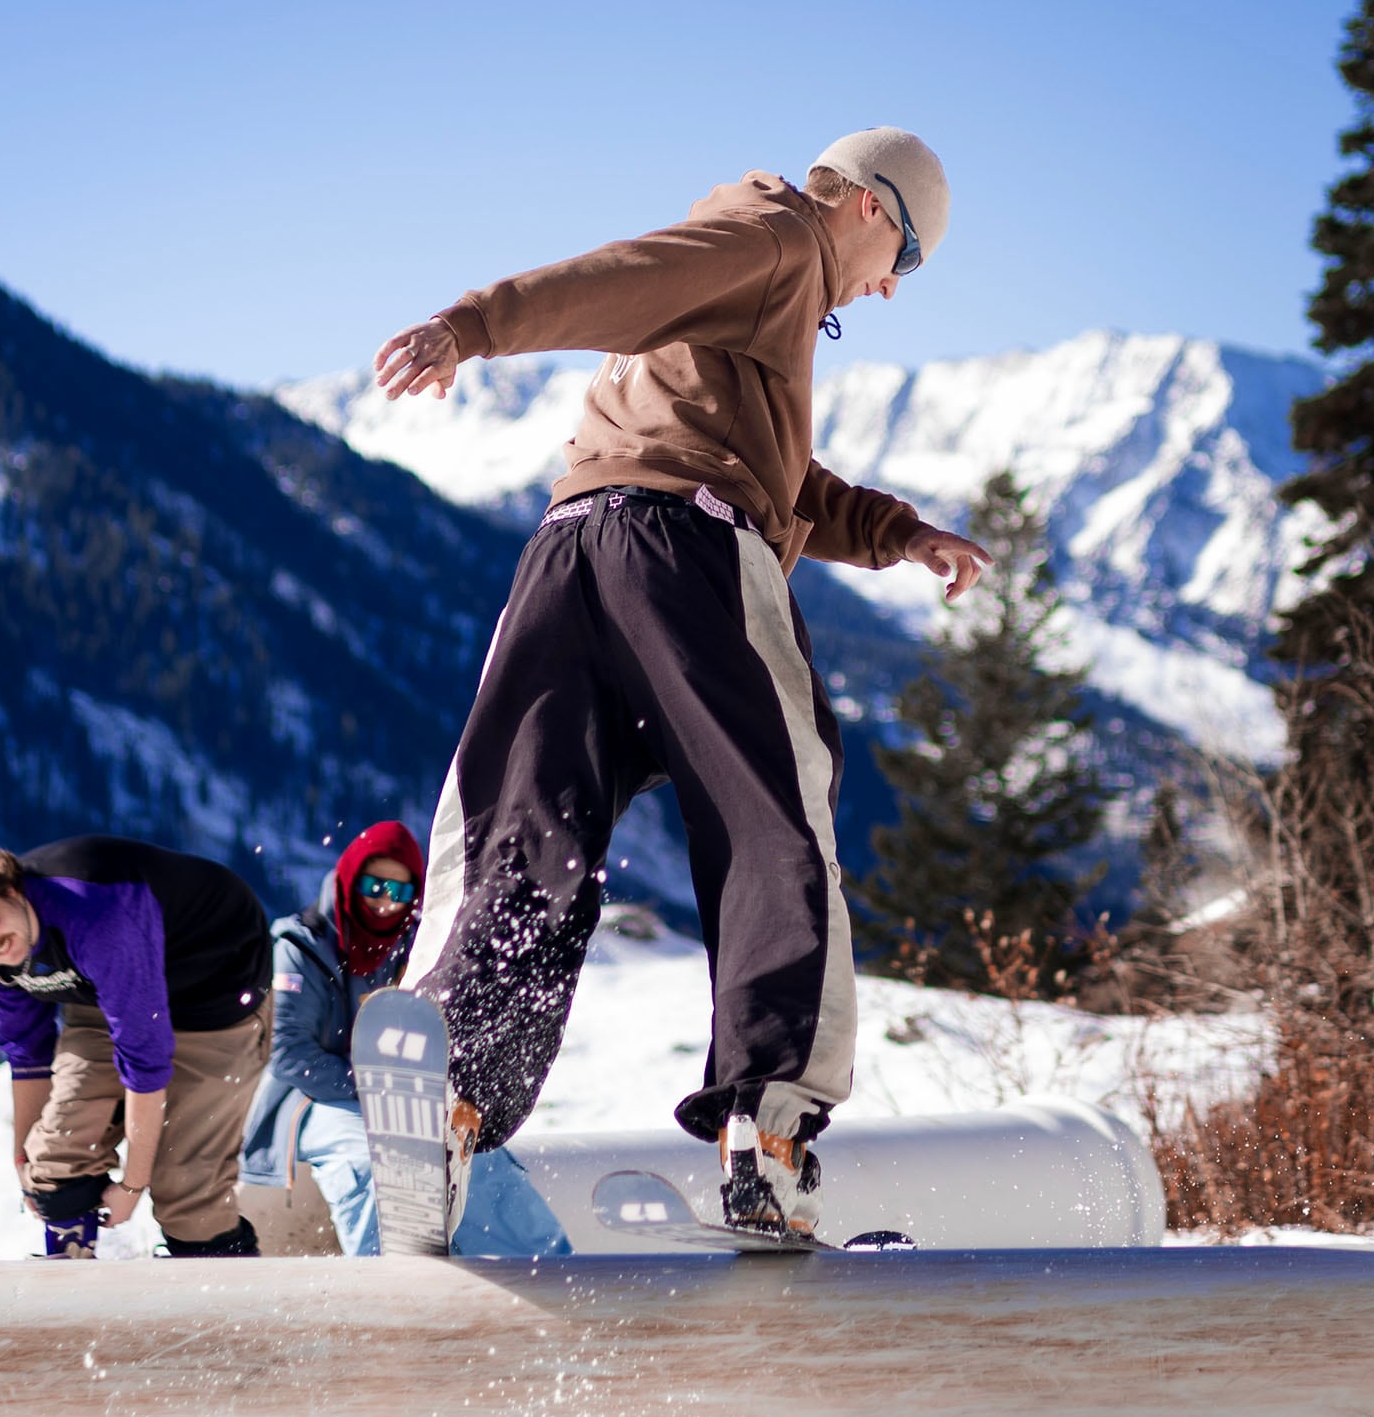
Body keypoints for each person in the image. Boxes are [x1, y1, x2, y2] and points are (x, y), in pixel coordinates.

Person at [367, 126, 990, 1247]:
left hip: (567, 554)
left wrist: (899, 532)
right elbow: (634, 277)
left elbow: (788, 477)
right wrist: (475, 325)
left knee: (527, 830)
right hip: (687, 550)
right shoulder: (780, 239)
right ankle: (770, 1129)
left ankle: (449, 1099)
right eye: (908, 255)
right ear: (866, 205)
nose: (892, 287)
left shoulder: (758, 307)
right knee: (774, 815)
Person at [0, 836, 271, 1258]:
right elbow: (28, 1057)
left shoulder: (94, 911)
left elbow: (145, 1063)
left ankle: (223, 1309)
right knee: (55, 1163)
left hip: (217, 988)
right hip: (109, 992)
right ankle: (74, 1295)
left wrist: (133, 1184)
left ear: (7, 887)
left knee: (185, 1192)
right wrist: (26, 1166)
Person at [237, 818, 570, 1257]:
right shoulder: (300, 947)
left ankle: (542, 1271)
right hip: (311, 1099)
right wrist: (371, 1085)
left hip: (404, 1095)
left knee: (473, 1155)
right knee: (369, 1164)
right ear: (351, 878)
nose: (385, 904)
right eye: (375, 886)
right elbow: (287, 1054)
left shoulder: (416, 945)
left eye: (400, 893)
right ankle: (388, 1290)